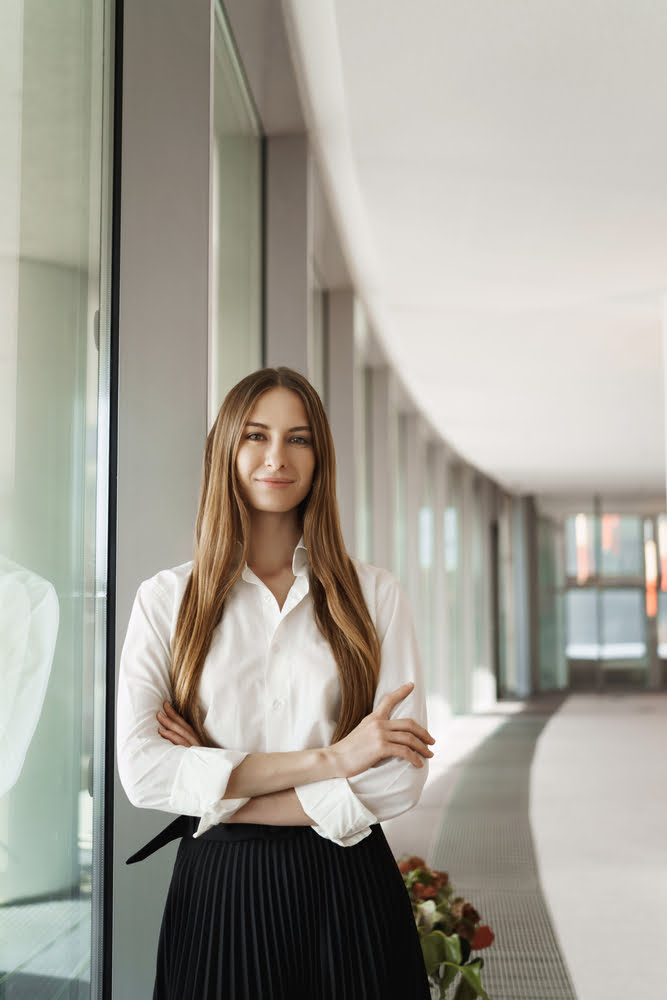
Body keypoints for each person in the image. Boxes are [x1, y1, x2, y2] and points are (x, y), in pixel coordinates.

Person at [117, 366, 434, 999]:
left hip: (348, 888)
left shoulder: (373, 595)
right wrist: (334, 759)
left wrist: (219, 791)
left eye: (299, 438)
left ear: (320, 458)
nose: (276, 457)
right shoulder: (166, 601)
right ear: (226, 449)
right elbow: (144, 772)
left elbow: (399, 776)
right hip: (219, 893)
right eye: (256, 436)